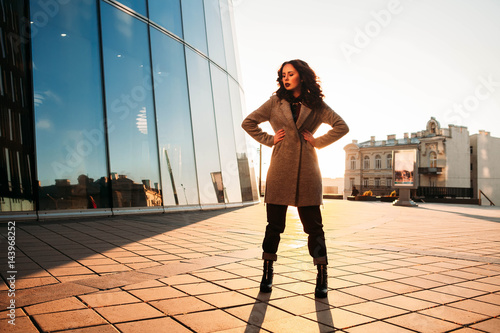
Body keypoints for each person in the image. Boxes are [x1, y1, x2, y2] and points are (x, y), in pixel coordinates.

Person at [241, 59, 349, 298]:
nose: (285, 78)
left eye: (290, 74)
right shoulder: (274, 102)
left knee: (314, 227)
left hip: (308, 171)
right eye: (282, 75)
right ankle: (267, 273)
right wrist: (270, 139)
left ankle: (322, 276)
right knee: (274, 226)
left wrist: (317, 142)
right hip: (279, 169)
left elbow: (341, 126)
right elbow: (248, 122)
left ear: (302, 76)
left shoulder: (316, 104)